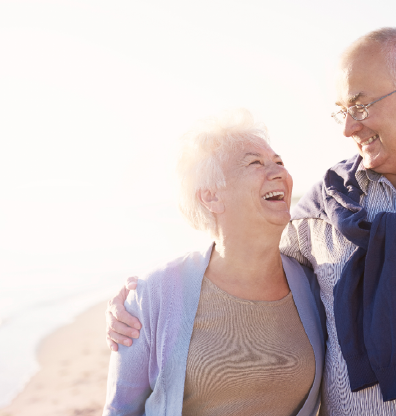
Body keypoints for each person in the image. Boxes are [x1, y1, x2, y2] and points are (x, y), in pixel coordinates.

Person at [106, 28, 396, 415]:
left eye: (360, 105)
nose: (348, 127)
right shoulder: (324, 205)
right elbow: (241, 252)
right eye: (341, 111)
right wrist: (139, 300)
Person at [103, 109, 325, 416]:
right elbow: (121, 409)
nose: (278, 173)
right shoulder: (152, 295)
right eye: (255, 163)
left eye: (279, 162)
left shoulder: (315, 286)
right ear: (210, 197)